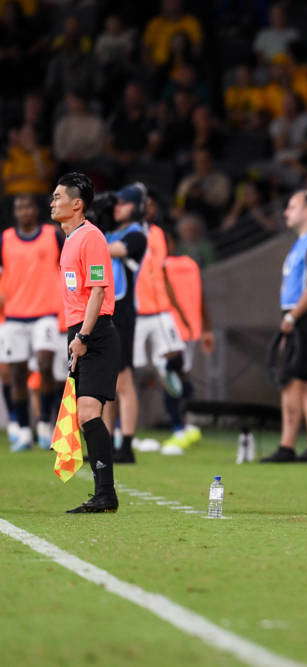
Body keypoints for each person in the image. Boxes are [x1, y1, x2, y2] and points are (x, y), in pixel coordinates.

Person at [51, 172, 121, 513]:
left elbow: (98, 290)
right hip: (81, 331)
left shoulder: (91, 237)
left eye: (58, 196)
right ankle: (104, 494)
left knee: (90, 412)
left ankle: (106, 494)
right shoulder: (70, 238)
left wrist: (83, 336)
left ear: (77, 204)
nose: (52, 202)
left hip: (95, 332)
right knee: (85, 414)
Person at [261, 190, 307, 464]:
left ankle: (287, 445)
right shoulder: (304, 242)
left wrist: (291, 318)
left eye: (292, 206)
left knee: (291, 380)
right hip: (303, 317)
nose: (286, 212)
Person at [0, 194, 63, 451]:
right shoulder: (5, 239)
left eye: (27, 206)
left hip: (46, 313)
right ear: (15, 212)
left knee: (45, 364)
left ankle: (45, 422)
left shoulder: (53, 235)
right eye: (19, 207)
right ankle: (25, 430)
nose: (24, 211)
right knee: (17, 372)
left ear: (36, 210)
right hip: (14, 315)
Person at [134, 199, 194, 450]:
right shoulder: (122, 234)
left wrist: (177, 310)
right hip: (134, 314)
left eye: (151, 203)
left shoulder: (158, 234)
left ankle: (179, 428)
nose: (148, 207)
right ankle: (125, 433)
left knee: (173, 364)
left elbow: (162, 273)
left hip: (160, 312)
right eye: (143, 202)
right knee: (129, 375)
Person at [102, 185, 149, 464]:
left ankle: (127, 443)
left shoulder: (136, 235)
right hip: (107, 310)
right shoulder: (109, 232)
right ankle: (106, 442)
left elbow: (117, 250)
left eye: (123, 203)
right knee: (108, 380)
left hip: (123, 313)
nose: (117, 208)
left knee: (124, 378)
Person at [163, 231, 214, 441]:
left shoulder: (159, 267)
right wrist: (206, 328)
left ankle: (178, 425)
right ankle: (187, 422)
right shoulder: (191, 264)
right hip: (191, 330)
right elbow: (202, 296)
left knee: (171, 376)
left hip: (169, 329)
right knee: (182, 374)